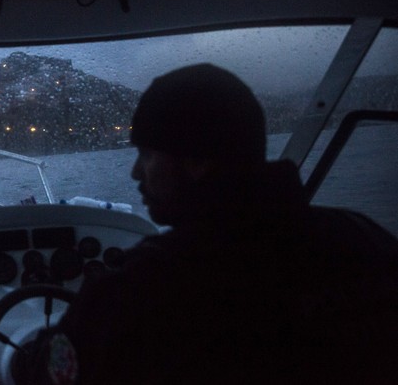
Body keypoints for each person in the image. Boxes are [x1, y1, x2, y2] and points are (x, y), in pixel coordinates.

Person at [21, 63, 398, 384]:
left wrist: (40, 341)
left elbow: (47, 372)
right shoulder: (364, 238)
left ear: (197, 161)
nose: (137, 172)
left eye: (149, 154)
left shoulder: (149, 286)